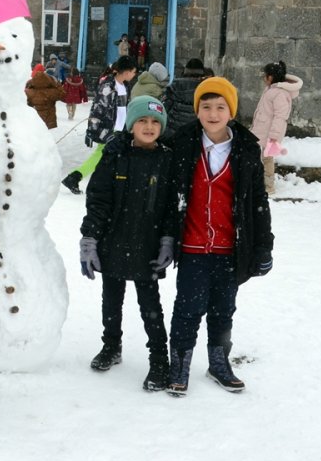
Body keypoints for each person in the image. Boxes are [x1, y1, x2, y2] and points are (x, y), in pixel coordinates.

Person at [167, 77, 274, 397]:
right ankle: (180, 363)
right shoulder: (182, 143)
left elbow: (258, 201)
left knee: (223, 309)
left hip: (231, 249)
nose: (213, 113)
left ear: (231, 111)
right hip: (193, 247)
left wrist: (263, 246)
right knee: (187, 309)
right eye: (206, 106)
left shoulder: (246, 149)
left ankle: (218, 361)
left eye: (220, 107)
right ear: (197, 110)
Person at [79, 96, 176, 391]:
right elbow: (98, 199)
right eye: (142, 121)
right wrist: (90, 238)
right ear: (131, 125)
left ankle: (160, 359)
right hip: (114, 241)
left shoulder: (168, 160)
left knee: (151, 306)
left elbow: (173, 205)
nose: (148, 127)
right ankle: (111, 346)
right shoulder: (115, 155)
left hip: (148, 244)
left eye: (155, 122)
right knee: (112, 301)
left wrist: (168, 239)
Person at [61, 56, 137, 194]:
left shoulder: (125, 85)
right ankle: (77, 178)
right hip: (109, 129)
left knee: (107, 157)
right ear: (126, 71)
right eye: (133, 71)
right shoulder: (108, 86)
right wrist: (91, 130)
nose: (134, 74)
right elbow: (97, 108)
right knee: (103, 156)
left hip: (121, 128)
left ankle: (76, 178)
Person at [250, 60, 303, 195]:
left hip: (270, 133)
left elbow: (280, 117)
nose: (263, 78)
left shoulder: (280, 93)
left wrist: (274, 136)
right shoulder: (271, 90)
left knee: (267, 159)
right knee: (260, 157)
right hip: (262, 130)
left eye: (265, 75)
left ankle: (269, 187)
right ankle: (259, 182)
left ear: (271, 77)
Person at [162, 58, 206, 139]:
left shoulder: (174, 86)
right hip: (196, 136)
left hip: (172, 134)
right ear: (202, 74)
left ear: (184, 72)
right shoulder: (206, 89)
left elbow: (164, 110)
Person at [25, 64, 66, 129]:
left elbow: (24, 102)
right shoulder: (52, 88)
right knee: (47, 136)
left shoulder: (29, 89)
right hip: (49, 120)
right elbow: (62, 94)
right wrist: (57, 84)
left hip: (34, 120)